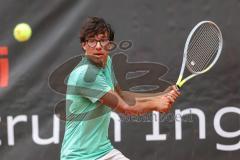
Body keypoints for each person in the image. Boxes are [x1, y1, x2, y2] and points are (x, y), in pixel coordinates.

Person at [60, 16, 180, 160]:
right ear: (84, 45)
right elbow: (124, 107)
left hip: (103, 152)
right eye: (92, 40)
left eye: (102, 40)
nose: (98, 46)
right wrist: (155, 104)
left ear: (109, 45)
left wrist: (159, 96)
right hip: (78, 157)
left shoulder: (106, 62)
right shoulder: (86, 75)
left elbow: (121, 95)